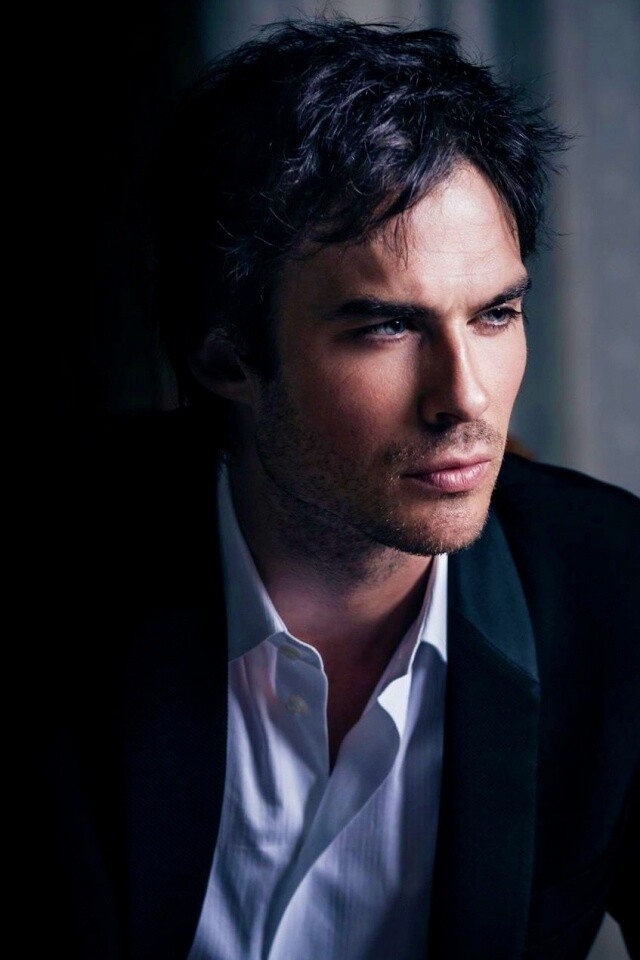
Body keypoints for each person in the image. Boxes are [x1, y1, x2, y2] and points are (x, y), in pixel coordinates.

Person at [49, 18, 639, 960]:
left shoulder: (616, 593)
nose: (466, 399)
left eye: (496, 314)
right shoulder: (69, 572)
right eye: (386, 329)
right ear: (227, 358)